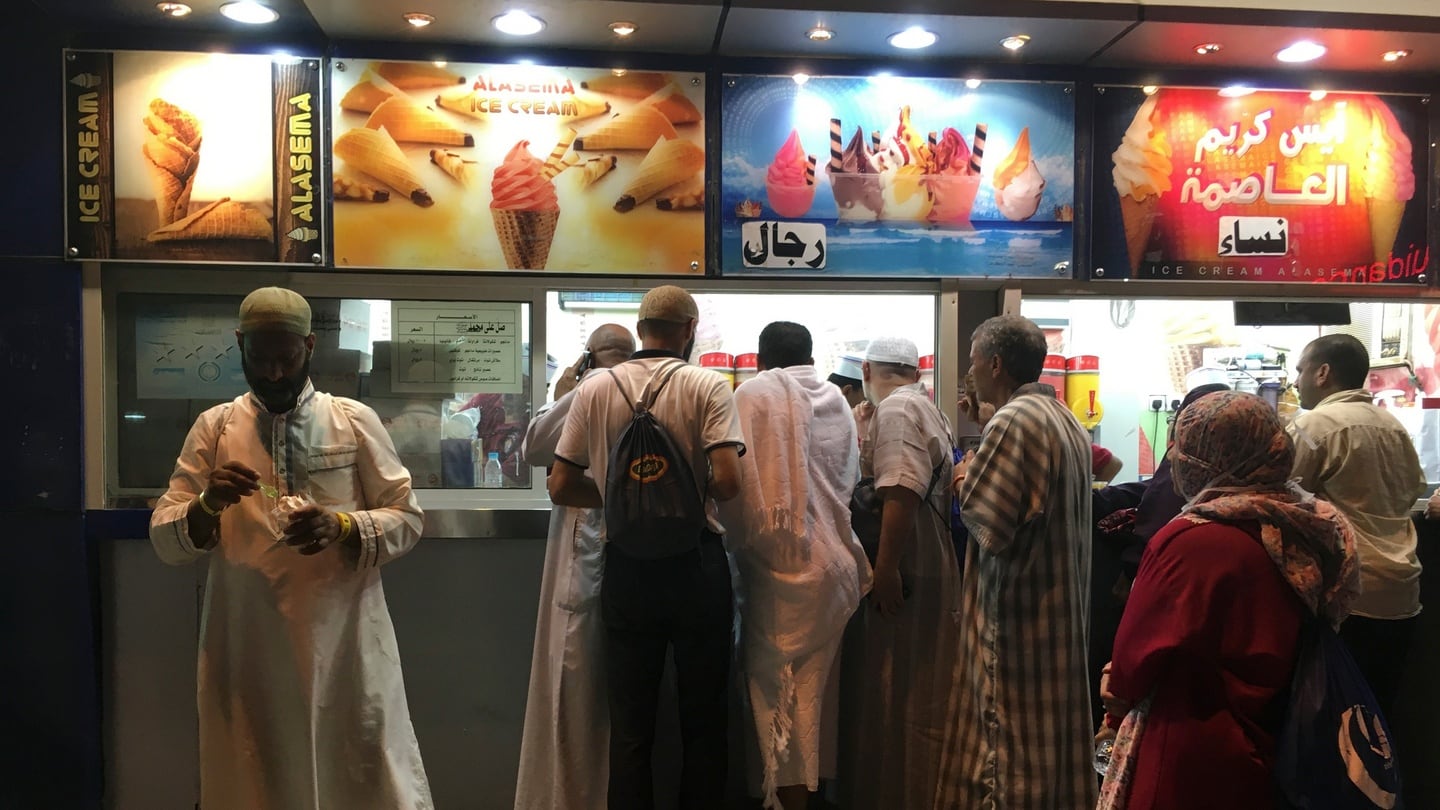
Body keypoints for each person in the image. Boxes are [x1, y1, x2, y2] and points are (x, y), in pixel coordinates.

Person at [149, 287, 432, 810]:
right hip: (247, 644)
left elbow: (407, 518)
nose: (275, 373)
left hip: (344, 642)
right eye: (260, 359)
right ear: (239, 345)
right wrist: (208, 505)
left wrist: (342, 526)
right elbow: (166, 534)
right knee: (255, 771)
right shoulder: (215, 428)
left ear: (311, 345)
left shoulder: (353, 419)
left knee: (360, 763)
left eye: (287, 358)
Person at [1098, 391, 1360, 810]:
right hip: (1274, 744)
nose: (1176, 456)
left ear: (1207, 457)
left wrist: (1114, 701)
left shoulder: (1191, 540)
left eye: (1183, 446)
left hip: (1189, 753)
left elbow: (1132, 667)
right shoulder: (1310, 525)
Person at [549, 285, 745, 810]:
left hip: (626, 569)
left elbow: (561, 485)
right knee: (703, 719)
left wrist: (623, 500)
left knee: (631, 725)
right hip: (695, 566)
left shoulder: (596, 387)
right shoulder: (707, 385)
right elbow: (727, 481)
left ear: (641, 329)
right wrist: (679, 497)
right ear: (689, 330)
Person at [942, 313, 1095, 810]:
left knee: (1006, 758)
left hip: (1017, 626)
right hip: (1058, 620)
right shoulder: (1063, 418)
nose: (971, 373)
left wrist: (964, 474)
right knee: (1046, 756)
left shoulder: (1014, 421)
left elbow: (989, 521)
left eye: (972, 363)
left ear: (996, 363)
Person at [719, 322, 871, 810]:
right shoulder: (836, 401)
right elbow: (849, 477)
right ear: (810, 354)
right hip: (837, 570)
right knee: (817, 703)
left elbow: (736, 486)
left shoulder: (756, 394)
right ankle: (809, 794)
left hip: (781, 570)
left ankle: (784, 801)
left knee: (776, 700)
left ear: (762, 360)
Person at [838, 336, 963, 810]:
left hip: (909, 564)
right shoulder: (927, 407)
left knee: (900, 691)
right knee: (922, 686)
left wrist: (886, 569)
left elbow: (900, 491)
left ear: (866, 370)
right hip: (931, 560)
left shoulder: (895, 411)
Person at [514, 324, 635, 810]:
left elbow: (536, 447)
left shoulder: (592, 388)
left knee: (574, 684)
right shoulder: (668, 386)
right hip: (639, 556)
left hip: (587, 551)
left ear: (589, 358)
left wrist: (561, 393)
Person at [1288, 333, 1427, 717]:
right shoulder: (1394, 426)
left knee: (1334, 725)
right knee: (1378, 723)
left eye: (1300, 371)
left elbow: (1280, 500)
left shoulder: (1315, 426)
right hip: (1402, 595)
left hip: (1348, 598)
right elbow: (1413, 491)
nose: (1294, 380)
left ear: (1323, 372)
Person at [1088, 383, 1230, 725]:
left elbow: (1160, 505)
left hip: (1179, 713)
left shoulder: (1189, 464)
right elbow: (1153, 490)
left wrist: (1129, 570)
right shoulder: (1273, 503)